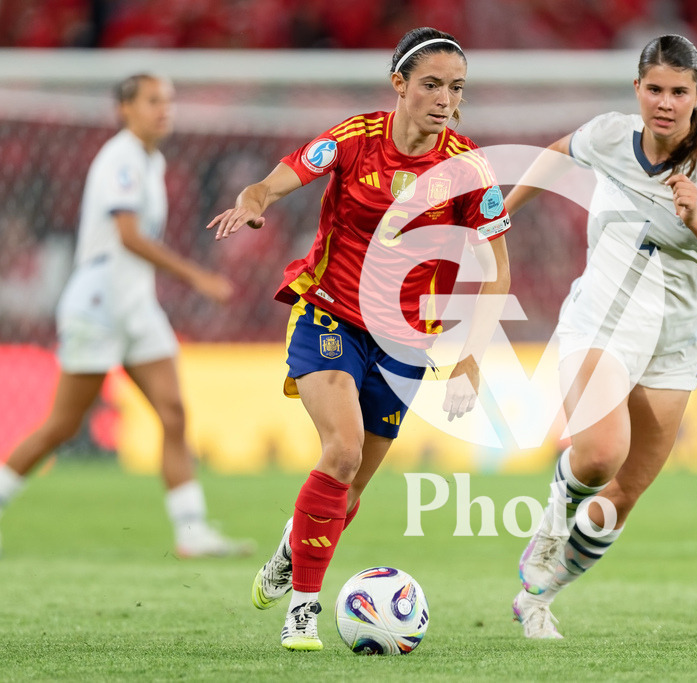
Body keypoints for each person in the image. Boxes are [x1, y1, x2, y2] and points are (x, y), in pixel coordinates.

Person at [206, 26, 511, 651]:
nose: (444, 98)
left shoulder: (468, 167)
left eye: (455, 88)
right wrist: (255, 202)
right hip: (330, 313)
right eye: (430, 84)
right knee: (341, 451)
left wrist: (471, 359)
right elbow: (271, 182)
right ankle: (304, 611)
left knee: (348, 493)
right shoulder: (353, 139)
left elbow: (497, 266)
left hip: (405, 342)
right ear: (398, 84)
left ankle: (293, 548)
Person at [505, 34, 697, 639]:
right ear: (637, 90)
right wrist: (502, 211)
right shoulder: (609, 135)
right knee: (598, 454)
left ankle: (539, 597)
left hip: (674, 338)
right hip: (604, 314)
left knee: (622, 496)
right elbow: (556, 150)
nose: (665, 103)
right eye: (655, 89)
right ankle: (547, 532)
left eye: (679, 92)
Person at [0, 74, 252, 559]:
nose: (164, 110)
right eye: (153, 101)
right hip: (98, 304)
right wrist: (195, 276)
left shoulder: (149, 160)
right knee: (63, 425)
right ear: (124, 109)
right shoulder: (120, 158)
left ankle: (191, 530)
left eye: (169, 101)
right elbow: (129, 236)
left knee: (173, 412)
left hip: (136, 305)